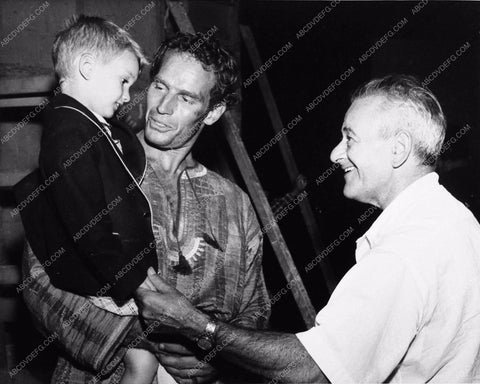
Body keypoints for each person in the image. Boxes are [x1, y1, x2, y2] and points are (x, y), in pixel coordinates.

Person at [136, 75, 480, 382]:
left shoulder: (404, 251)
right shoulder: (456, 221)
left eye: (350, 139)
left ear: (398, 149)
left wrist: (196, 323)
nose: (335, 154)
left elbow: (314, 369)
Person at [21, 32, 270, 384]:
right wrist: (134, 341)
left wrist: (219, 354)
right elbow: (37, 279)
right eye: (159, 87)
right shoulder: (88, 160)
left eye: (185, 97)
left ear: (213, 112)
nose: (163, 108)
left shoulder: (235, 204)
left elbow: (255, 309)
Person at [14, 15, 161, 384]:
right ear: (86, 67)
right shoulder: (68, 133)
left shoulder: (86, 123)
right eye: (124, 81)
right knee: (144, 362)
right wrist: (135, 285)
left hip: (118, 272)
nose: (127, 95)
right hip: (100, 279)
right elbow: (87, 227)